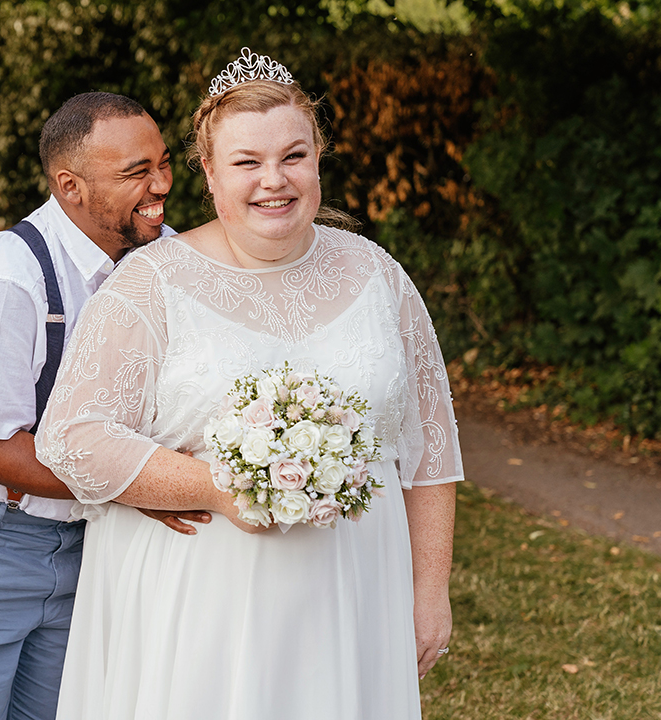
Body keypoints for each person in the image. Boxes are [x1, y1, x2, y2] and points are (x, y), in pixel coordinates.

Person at [36, 49, 464, 719]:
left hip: (354, 591)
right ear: (209, 172)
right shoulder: (152, 284)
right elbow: (70, 438)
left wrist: (429, 590)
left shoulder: (378, 276)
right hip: (203, 603)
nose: (275, 180)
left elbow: (430, 450)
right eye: (247, 162)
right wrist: (219, 487)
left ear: (318, 158)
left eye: (294, 156)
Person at [0, 91, 208, 720]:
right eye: (136, 173)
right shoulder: (7, 279)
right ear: (70, 186)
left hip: (86, 540)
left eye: (163, 163)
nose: (162, 184)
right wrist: (143, 484)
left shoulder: (163, 257)